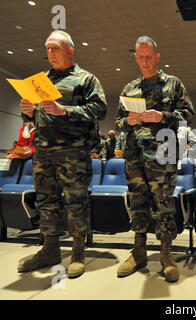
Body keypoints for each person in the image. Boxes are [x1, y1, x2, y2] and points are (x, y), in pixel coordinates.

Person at [18, 30, 107, 278]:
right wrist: (27, 111)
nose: (50, 53)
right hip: (44, 151)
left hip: (73, 151)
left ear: (70, 50)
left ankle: (78, 252)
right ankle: (50, 249)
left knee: (76, 202)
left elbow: (99, 109)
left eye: (55, 48)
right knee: (46, 202)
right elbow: (36, 115)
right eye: (47, 48)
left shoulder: (86, 79)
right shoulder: (41, 80)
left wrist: (64, 110)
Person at [115, 36, 194, 282]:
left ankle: (166, 256)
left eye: (149, 56)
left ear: (157, 57)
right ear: (135, 57)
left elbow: (187, 114)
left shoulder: (173, 84)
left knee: (164, 207)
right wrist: (126, 121)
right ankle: (138, 253)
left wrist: (163, 116)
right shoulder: (129, 89)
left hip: (162, 156)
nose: (145, 61)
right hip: (134, 156)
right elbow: (118, 120)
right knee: (137, 204)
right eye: (141, 56)